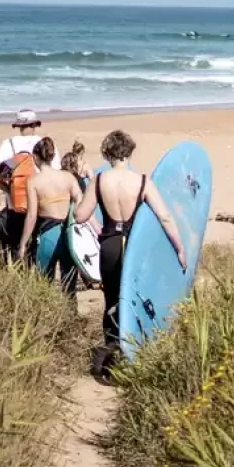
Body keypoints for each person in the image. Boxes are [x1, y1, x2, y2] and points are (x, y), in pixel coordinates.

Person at [75, 130, 186, 368]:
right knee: (137, 297)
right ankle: (138, 353)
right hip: (136, 247)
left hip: (110, 245)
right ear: (129, 151)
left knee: (112, 298)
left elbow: (81, 216)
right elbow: (165, 217)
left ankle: (112, 358)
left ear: (107, 153)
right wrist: (179, 249)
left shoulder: (99, 180)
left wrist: (80, 196)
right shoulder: (143, 181)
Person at [19, 137, 82, 296]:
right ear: (53, 156)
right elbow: (80, 202)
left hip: (47, 236)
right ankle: (71, 318)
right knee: (70, 289)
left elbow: (32, 216)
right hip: (68, 236)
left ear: (35, 157)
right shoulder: (68, 177)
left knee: (44, 288)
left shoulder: (33, 181)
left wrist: (23, 244)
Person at [0, 109, 61, 254]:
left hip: (15, 204)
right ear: (35, 124)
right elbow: (56, 171)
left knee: (16, 246)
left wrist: (8, 190)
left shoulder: (8, 143)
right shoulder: (46, 144)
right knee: (36, 249)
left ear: (19, 126)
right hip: (41, 205)